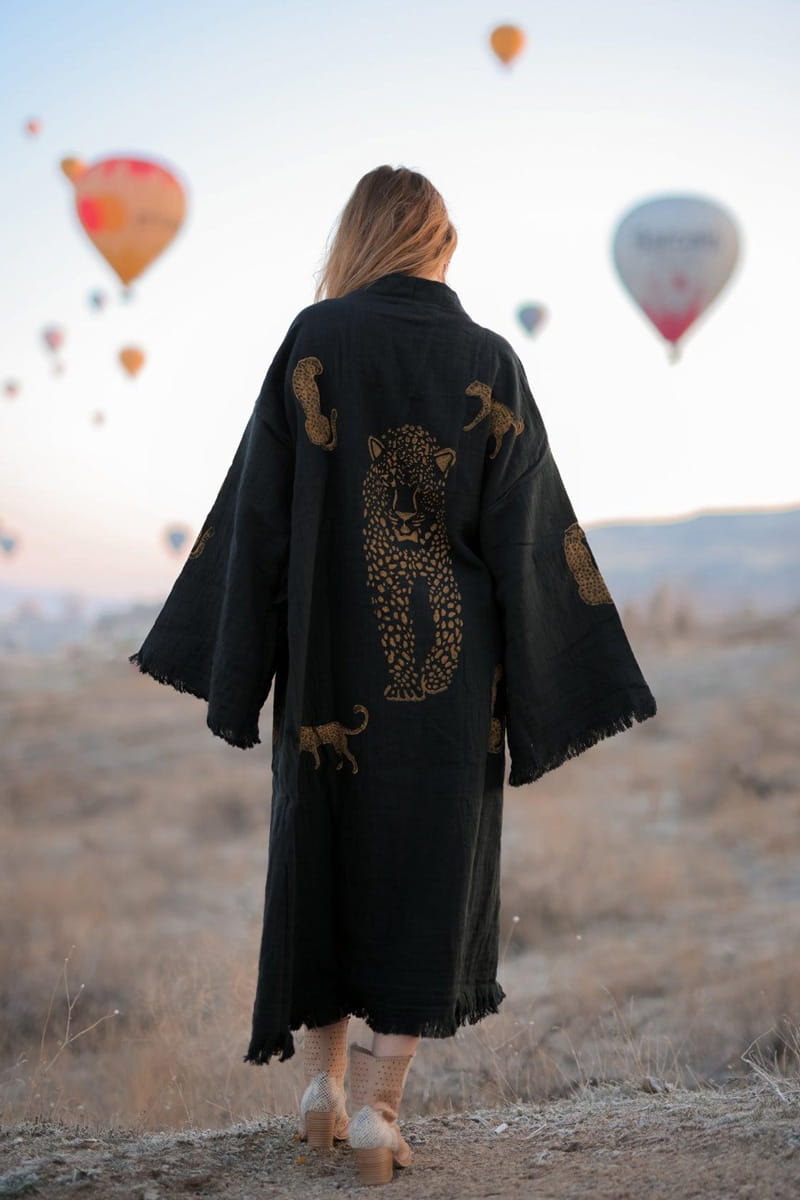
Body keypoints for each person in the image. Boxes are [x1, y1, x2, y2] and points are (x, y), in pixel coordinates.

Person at [130, 165, 657, 1186]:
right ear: (441, 244)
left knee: (321, 856)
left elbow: (257, 515)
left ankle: (319, 1092)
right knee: (426, 873)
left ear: (357, 237)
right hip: (452, 692)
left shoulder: (313, 340)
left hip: (328, 669)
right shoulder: (489, 359)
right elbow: (530, 537)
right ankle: (377, 1114)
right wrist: (554, 682)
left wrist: (237, 672)